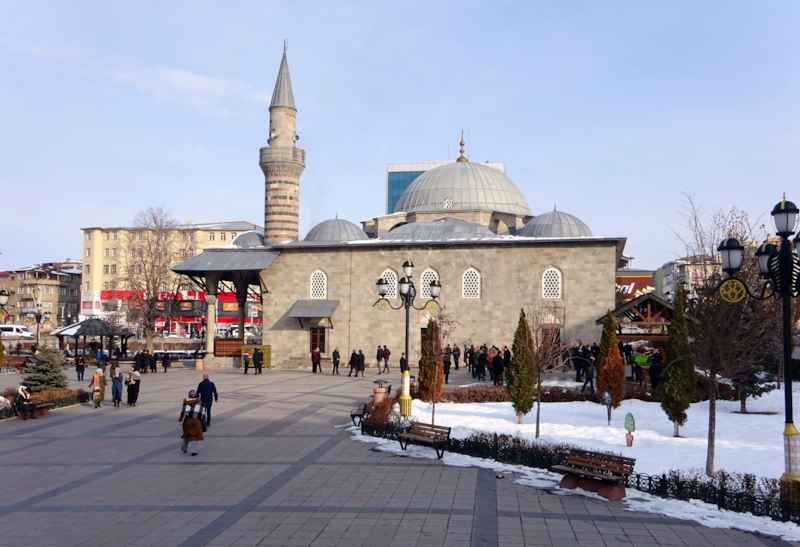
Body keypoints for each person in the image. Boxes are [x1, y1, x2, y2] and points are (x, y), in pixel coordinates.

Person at [179, 389, 206, 455]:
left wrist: (180, 419)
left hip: (187, 421)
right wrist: (203, 423)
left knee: (186, 435)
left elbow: (183, 412)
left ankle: (184, 448)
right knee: (195, 436)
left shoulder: (186, 402)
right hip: (196, 421)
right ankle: (194, 451)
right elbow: (202, 414)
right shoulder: (200, 402)